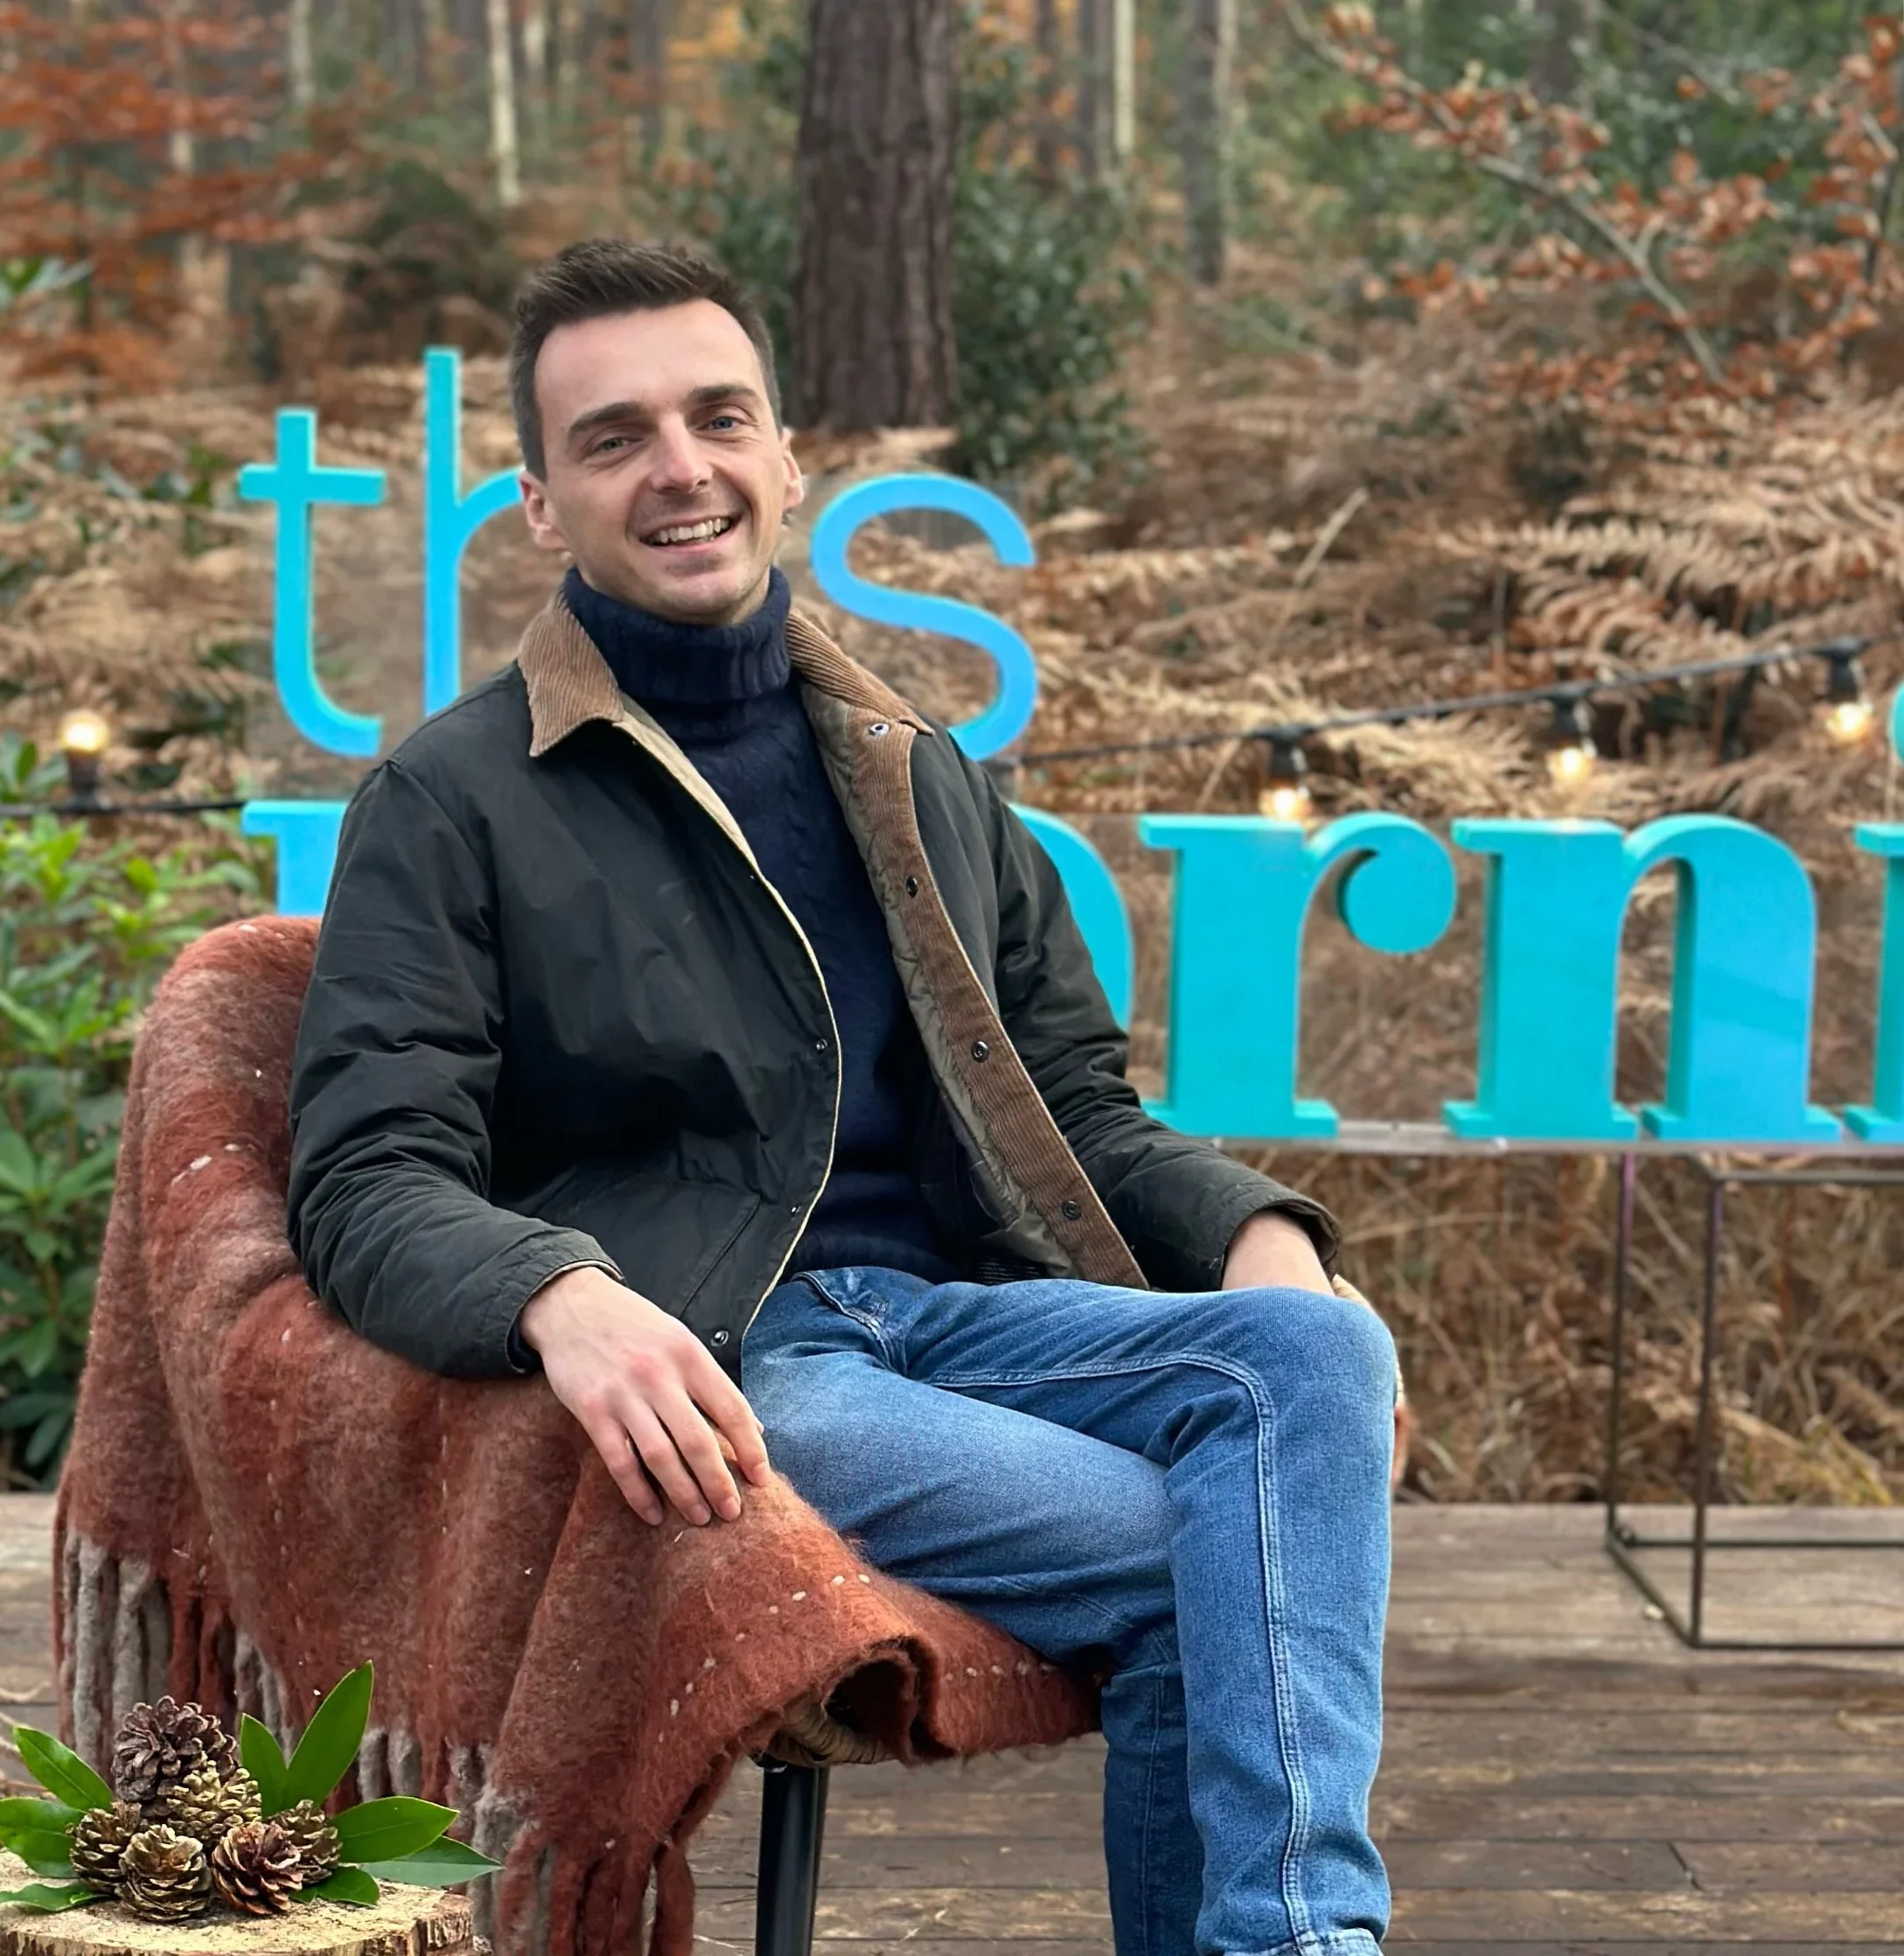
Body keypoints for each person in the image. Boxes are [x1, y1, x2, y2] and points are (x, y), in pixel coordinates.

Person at [287, 237, 1398, 1956]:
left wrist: (1255, 1242)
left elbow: (1079, 1112)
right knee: (1236, 1544)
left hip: (973, 1320)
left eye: (718, 416)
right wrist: (557, 1295)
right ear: (537, 502)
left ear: (785, 458)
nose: (681, 467)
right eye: (616, 435)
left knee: (1323, 1349)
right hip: (746, 1365)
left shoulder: (914, 773)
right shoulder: (450, 802)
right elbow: (365, 1173)